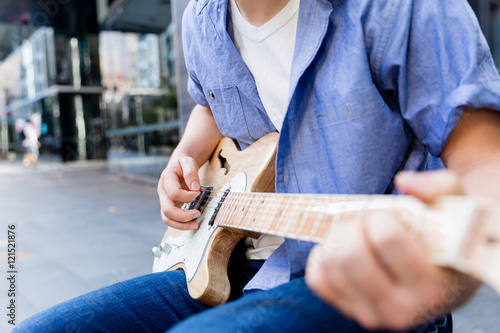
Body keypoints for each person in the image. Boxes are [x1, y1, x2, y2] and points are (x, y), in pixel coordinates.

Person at [14, 0, 500, 332]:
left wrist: (455, 249)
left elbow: (484, 158)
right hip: (238, 263)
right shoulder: (201, 19)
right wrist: (181, 161)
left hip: (364, 280)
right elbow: (210, 105)